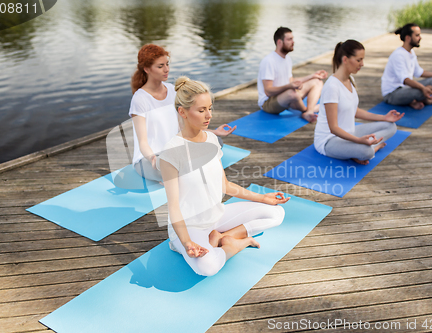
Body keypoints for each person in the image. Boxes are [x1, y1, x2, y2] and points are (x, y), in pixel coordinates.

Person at [157, 76, 289, 277]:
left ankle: (222, 236)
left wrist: (263, 198)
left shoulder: (211, 139)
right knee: (207, 267)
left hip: (217, 216)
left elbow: (224, 185)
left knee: (276, 213)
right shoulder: (170, 154)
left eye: (210, 108)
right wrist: (186, 242)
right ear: (182, 112)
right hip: (189, 226)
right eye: (201, 110)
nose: (208, 115)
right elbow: (173, 207)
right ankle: (238, 243)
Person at [129, 44, 236, 182]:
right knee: (173, 167)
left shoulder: (173, 91)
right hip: (150, 159)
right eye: (160, 66)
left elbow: (183, 127)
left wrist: (214, 132)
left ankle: (179, 172)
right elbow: (142, 142)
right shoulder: (140, 99)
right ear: (146, 69)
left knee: (216, 142)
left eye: (167, 64)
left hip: (174, 151)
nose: (166, 69)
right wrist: (153, 159)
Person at [314, 40, 404, 165]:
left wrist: (384, 117)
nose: (362, 64)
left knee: (390, 126)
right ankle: (370, 149)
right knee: (366, 151)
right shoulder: (332, 86)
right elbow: (333, 128)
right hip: (330, 140)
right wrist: (358, 140)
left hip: (350, 132)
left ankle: (357, 151)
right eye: (358, 60)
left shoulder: (350, 79)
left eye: (362, 60)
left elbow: (354, 111)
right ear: (345, 59)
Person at [257, 27, 328, 122]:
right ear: (279, 42)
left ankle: (309, 111)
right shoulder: (269, 61)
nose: (293, 42)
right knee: (291, 93)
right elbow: (268, 91)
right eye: (289, 39)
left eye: (292, 39)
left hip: (286, 95)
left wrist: (312, 76)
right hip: (269, 102)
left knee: (317, 82)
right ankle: (308, 110)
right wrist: (289, 86)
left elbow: (291, 82)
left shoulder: (287, 59)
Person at [381, 23, 432, 110]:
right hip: (392, 94)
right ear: (408, 38)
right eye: (417, 35)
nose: (420, 38)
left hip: (407, 89)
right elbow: (405, 80)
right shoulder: (398, 55)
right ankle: (425, 100)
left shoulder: (411, 53)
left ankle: (415, 100)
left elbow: (419, 72)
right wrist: (423, 88)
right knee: (419, 91)